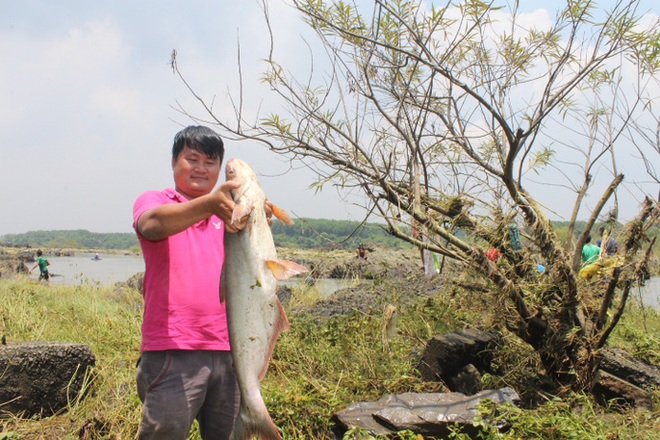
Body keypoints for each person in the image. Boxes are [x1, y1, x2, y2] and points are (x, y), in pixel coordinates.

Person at [132, 126, 254, 439]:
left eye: (210, 162)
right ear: (174, 163)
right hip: (174, 349)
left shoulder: (228, 216)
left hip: (232, 351)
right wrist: (211, 204)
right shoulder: (157, 200)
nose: (201, 168)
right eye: (192, 159)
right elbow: (152, 225)